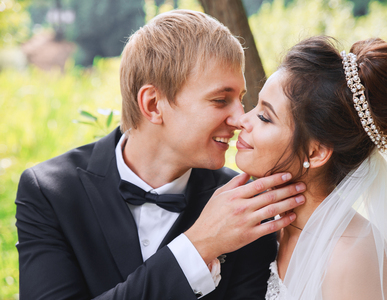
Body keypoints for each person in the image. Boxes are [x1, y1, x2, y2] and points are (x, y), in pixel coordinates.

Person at [15, 10, 306, 300]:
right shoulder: (50, 192)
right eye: (220, 100)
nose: (241, 118)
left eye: (241, 100)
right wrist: (195, 248)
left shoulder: (246, 207)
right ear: (153, 104)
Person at [235, 36, 387, 299]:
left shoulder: (350, 256)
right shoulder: (263, 222)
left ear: (315, 153)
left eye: (264, 117)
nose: (241, 120)